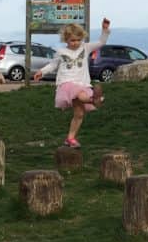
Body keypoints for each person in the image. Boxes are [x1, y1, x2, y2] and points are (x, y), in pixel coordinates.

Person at [34, 17, 110, 148]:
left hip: (82, 83)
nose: (75, 43)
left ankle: (70, 138)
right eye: (72, 40)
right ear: (66, 39)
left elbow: (101, 42)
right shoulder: (61, 52)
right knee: (80, 95)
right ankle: (94, 99)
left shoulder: (85, 48)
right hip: (67, 84)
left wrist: (105, 30)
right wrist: (42, 71)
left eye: (78, 40)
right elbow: (53, 65)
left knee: (79, 114)